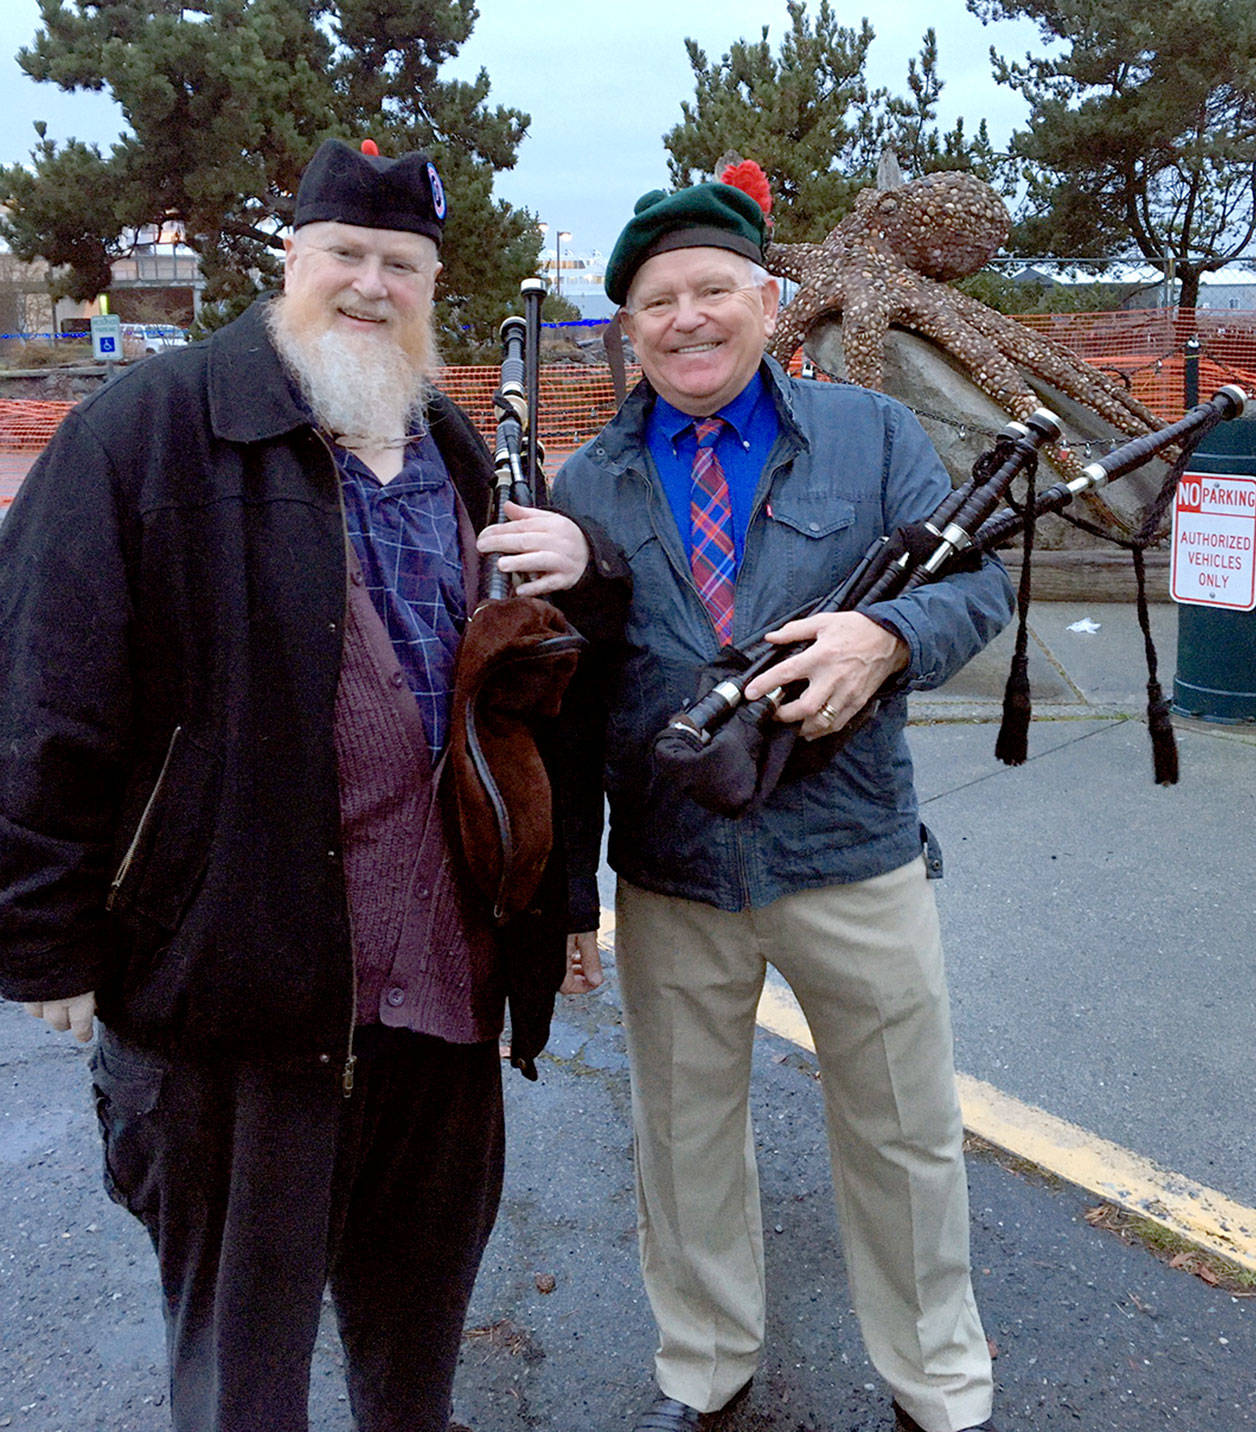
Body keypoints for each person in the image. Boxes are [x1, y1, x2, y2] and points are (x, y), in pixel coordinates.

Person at [0, 137, 626, 1432]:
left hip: (439, 1005)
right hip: (237, 1000)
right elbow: (41, 693)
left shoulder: (453, 444)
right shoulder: (150, 430)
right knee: (243, 1382)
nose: (370, 285)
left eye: (401, 264)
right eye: (344, 253)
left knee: (415, 1355)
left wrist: (560, 899)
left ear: (433, 281)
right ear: (290, 258)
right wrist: (44, 941)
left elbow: (532, 699)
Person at [550, 178, 1014, 1432]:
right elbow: (567, 713)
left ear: (767, 304)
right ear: (628, 330)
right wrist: (558, 902)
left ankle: (938, 1383)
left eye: (713, 290)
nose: (688, 318)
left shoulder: (870, 436)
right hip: (670, 872)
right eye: (658, 301)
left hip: (851, 854)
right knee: (682, 1141)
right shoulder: (579, 488)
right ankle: (704, 1369)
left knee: (905, 1135)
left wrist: (886, 631)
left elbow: (977, 589)